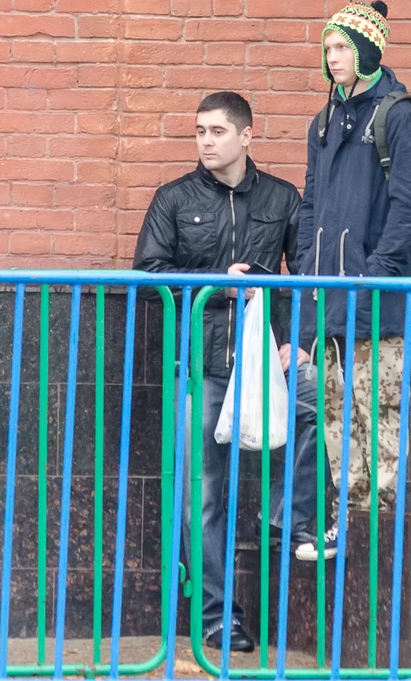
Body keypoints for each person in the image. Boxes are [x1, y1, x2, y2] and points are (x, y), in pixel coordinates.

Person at [132, 91, 330, 654]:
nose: (206, 141)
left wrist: (303, 342)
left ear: (246, 136)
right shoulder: (174, 198)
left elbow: (311, 275)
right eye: (200, 131)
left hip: (268, 361)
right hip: (201, 365)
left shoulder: (282, 198)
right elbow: (148, 275)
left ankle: (287, 516)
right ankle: (218, 617)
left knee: (322, 402)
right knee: (203, 497)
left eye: (217, 131)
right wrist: (220, 279)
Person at [298, 1, 411, 510]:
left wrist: (373, 276)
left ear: (367, 52)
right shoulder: (323, 122)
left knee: (382, 427)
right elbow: (311, 206)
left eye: (343, 47)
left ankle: (383, 533)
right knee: (339, 430)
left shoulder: (399, 118)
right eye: (328, 47)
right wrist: (307, 278)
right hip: (329, 301)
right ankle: (351, 524)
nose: (332, 57)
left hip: (379, 304)